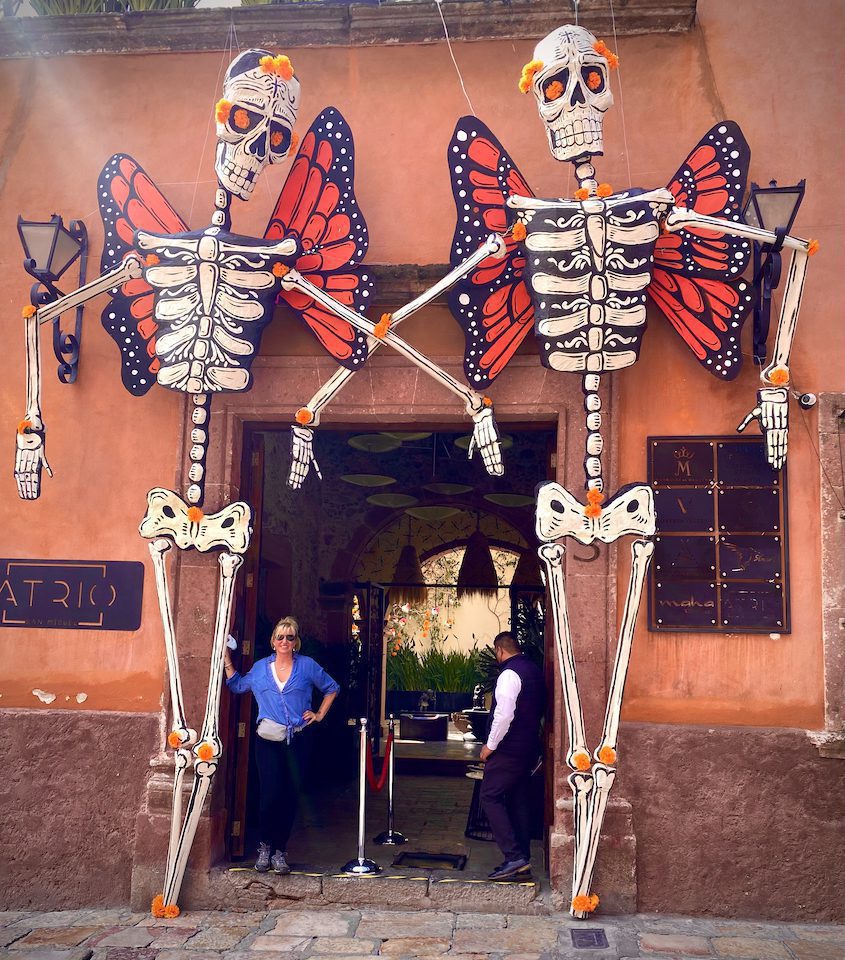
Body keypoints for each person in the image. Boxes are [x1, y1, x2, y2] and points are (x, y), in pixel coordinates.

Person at [224, 615, 339, 874]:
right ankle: (264, 846)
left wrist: (319, 714)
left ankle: (279, 851)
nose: (285, 640)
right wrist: (226, 660)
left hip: (297, 740)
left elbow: (332, 688)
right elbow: (238, 685)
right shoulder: (261, 668)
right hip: (267, 741)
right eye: (280, 637)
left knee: (289, 797)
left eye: (290, 636)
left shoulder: (307, 666)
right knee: (269, 796)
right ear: (273, 642)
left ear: (295, 641)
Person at [479, 630, 545, 880]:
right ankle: (523, 859)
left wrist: (490, 745)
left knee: (490, 796)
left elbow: (504, 714)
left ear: (499, 650)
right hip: (528, 747)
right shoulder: (533, 670)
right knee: (519, 800)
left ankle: (513, 856)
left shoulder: (509, 674)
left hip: (509, 749)